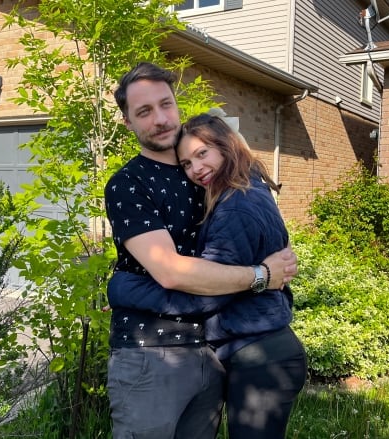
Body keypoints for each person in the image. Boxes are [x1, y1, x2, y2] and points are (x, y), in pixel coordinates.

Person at [104, 62, 298, 439]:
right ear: (128, 122)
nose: (160, 118)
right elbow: (172, 270)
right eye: (144, 111)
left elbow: (253, 244)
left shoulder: (213, 176)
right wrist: (262, 276)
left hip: (211, 353)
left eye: (166, 104)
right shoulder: (128, 184)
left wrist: (267, 271)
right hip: (150, 354)